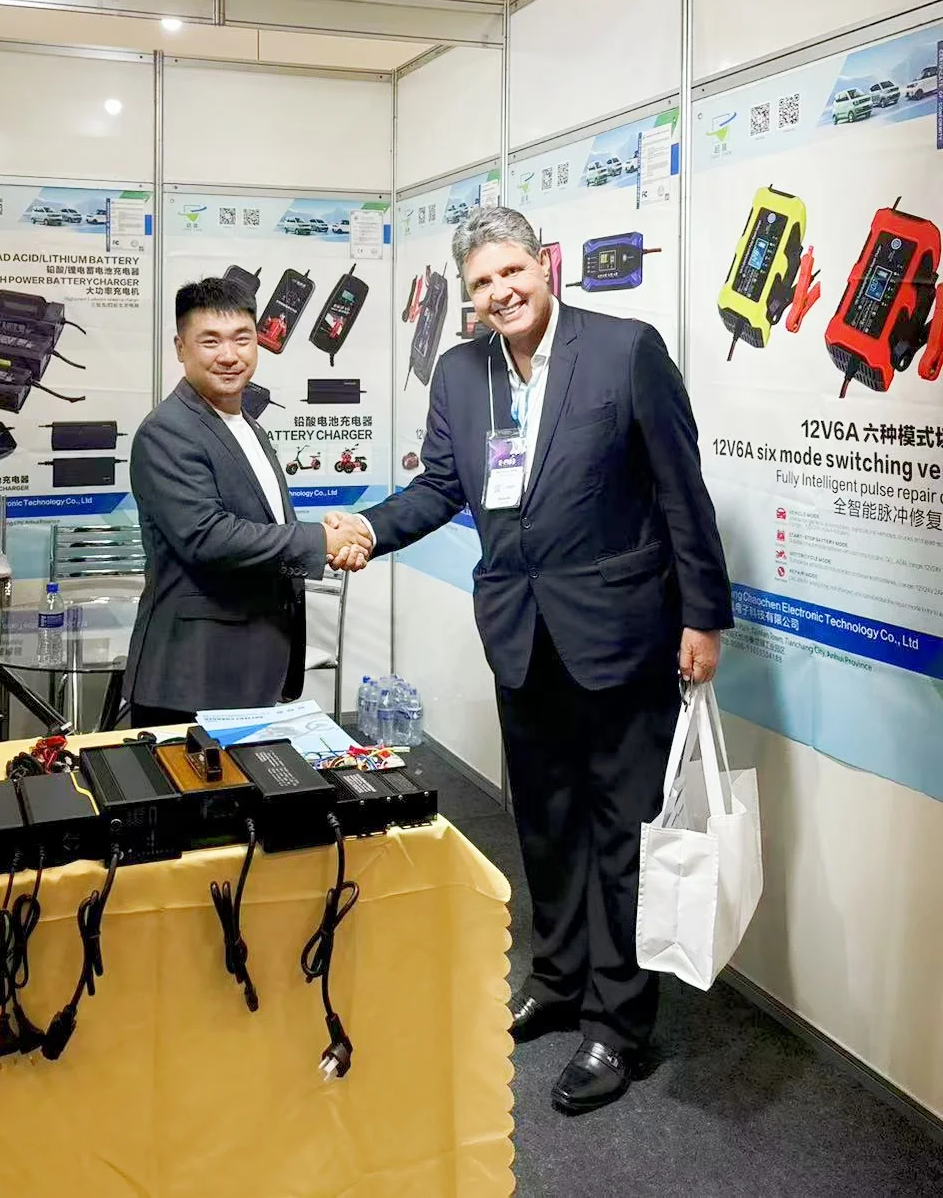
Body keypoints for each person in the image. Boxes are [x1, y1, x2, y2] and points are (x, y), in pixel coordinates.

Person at [326, 206, 730, 1115]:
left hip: (623, 632)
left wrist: (704, 617)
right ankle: (557, 978)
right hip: (520, 631)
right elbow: (439, 485)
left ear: (544, 264)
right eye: (481, 282)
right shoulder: (462, 371)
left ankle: (616, 1022)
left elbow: (682, 488)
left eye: (511, 271)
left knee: (621, 830)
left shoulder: (625, 350)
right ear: (468, 296)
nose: (500, 291)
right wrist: (369, 529)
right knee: (544, 820)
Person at [125, 276, 364, 727]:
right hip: (193, 675)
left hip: (250, 666)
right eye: (210, 341)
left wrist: (331, 541)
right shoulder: (167, 431)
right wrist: (322, 542)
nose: (229, 355)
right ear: (180, 348)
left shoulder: (248, 426)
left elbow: (266, 527)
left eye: (242, 338)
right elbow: (208, 536)